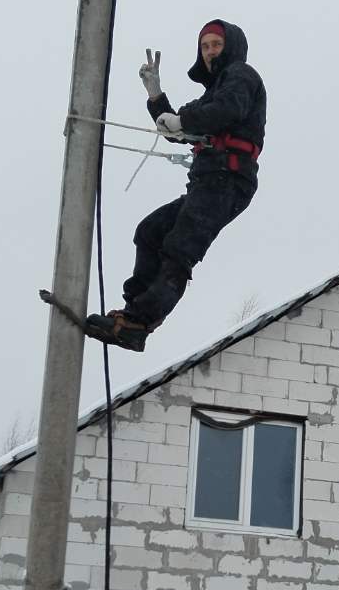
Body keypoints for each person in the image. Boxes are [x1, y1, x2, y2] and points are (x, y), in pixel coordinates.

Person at [85, 19, 266, 352]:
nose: (210, 52)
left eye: (216, 45)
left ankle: (140, 321)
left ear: (232, 47)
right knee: (151, 231)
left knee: (180, 247)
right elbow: (177, 128)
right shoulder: (211, 95)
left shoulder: (242, 77)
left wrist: (183, 122)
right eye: (205, 46)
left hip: (228, 180)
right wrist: (156, 97)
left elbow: (225, 110)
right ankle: (132, 312)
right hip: (208, 181)